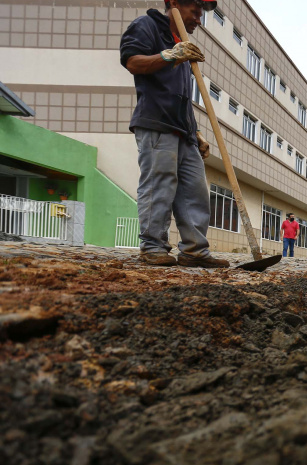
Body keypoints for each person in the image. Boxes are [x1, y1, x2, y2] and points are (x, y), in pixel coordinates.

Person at [120, 0, 229, 268]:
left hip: (184, 130)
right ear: (175, 5)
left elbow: (180, 97)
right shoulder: (147, 26)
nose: (199, 20)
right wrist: (168, 55)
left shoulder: (183, 46)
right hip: (157, 122)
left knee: (195, 191)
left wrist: (198, 131)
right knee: (159, 185)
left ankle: (194, 251)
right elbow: (132, 61)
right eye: (195, 11)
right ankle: (152, 246)